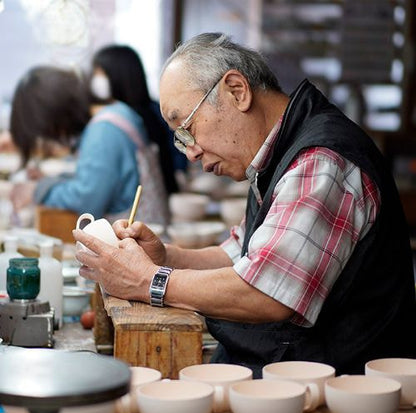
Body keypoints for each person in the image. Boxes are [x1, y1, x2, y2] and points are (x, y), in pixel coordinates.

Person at [73, 33, 416, 378]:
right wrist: (166, 258)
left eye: (188, 128)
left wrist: (149, 280)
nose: (190, 152)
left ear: (237, 90)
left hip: (339, 387)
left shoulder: (322, 162)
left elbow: (269, 292)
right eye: (180, 140)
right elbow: (240, 255)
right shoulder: (275, 151)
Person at [9, 65, 170, 225]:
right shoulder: (116, 110)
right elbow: (108, 180)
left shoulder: (102, 132)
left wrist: (36, 191)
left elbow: (86, 201)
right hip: (151, 230)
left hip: (134, 241)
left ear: (53, 113)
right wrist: (50, 181)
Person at [90, 44, 185, 191]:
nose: (95, 80)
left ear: (116, 76)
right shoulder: (154, 109)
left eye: (99, 73)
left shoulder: (120, 119)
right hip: (163, 197)